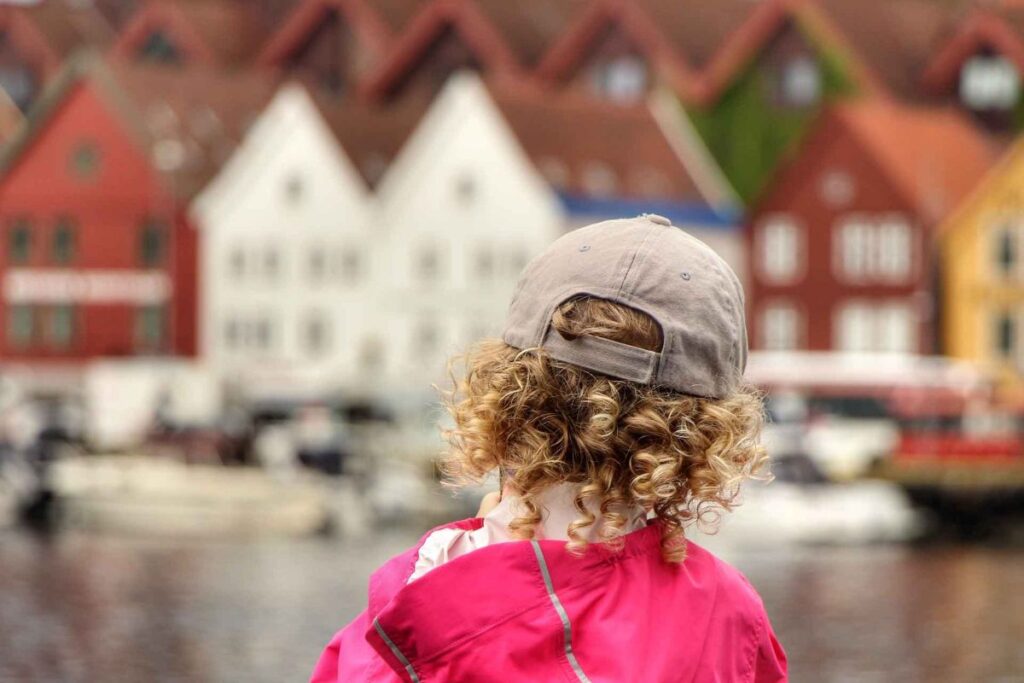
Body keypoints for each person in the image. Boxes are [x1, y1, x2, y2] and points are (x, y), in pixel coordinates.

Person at [311, 215, 788, 682]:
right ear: (705, 432)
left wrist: (486, 548)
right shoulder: (727, 615)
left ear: (506, 395)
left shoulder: (421, 596)